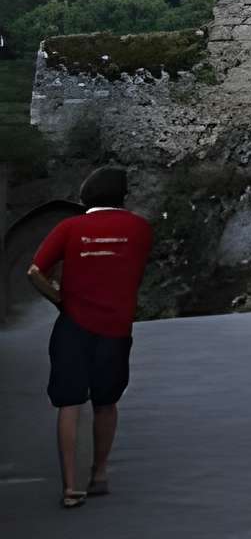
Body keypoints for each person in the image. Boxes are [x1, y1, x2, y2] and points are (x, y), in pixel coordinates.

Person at [27, 167, 154, 510]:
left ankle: (71, 487)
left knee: (69, 403)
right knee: (106, 401)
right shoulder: (140, 229)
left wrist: (60, 299)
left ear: (86, 196)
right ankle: (99, 473)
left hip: (74, 325)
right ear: (122, 196)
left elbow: (35, 271)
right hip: (116, 327)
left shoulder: (69, 227)